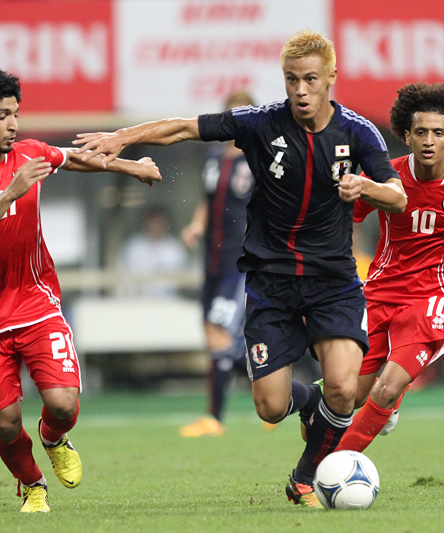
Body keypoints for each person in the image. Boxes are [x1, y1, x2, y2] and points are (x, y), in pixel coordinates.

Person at [75, 29, 407, 507]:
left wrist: (366, 187)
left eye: (311, 79)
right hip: (272, 283)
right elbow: (183, 127)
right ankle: (308, 403)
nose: (300, 90)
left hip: (333, 280)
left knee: (343, 388)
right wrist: (122, 137)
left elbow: (397, 195)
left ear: (331, 77)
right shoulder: (261, 122)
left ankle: (305, 477)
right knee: (271, 407)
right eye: (291, 79)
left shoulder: (358, 132)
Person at [0, 68, 161, 513]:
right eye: (3, 116)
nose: (14, 125)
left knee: (62, 403)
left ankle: (53, 438)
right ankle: (33, 484)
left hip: (36, 303)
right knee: (5, 422)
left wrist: (129, 166)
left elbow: (72, 159)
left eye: (15, 114)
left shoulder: (29, 153)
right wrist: (9, 194)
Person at [333, 82, 444, 453]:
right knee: (347, 396)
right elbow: (348, 218)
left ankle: (332, 467)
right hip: (380, 292)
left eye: (437, 133)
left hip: (433, 298)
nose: (428, 141)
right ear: (406, 136)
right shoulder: (387, 178)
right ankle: (330, 413)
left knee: (387, 388)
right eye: (420, 132)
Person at [178, 89, 256, 438]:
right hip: (211, 260)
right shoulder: (213, 158)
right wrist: (197, 226)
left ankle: (215, 417)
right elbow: (207, 203)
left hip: (239, 262)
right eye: (231, 117)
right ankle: (274, 386)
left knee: (217, 330)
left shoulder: (257, 159)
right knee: (215, 338)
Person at [120, 205, 189, 297]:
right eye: (152, 222)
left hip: (169, 301)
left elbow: (182, 280)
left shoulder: (174, 248)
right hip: (138, 301)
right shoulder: (134, 246)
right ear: (146, 223)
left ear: (164, 223)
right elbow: (124, 276)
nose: (155, 226)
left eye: (158, 222)